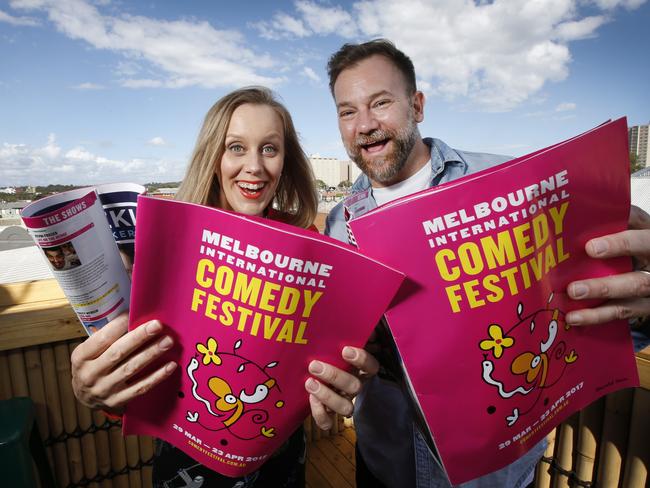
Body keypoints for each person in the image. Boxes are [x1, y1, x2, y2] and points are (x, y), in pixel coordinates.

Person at [303, 39, 650, 488]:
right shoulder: (338, 220)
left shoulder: (511, 187)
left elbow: (600, 310)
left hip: (494, 476)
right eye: (347, 111)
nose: (364, 124)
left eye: (381, 103)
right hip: (385, 461)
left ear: (417, 105)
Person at [70, 87, 366, 487]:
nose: (255, 167)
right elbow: (132, 374)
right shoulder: (165, 244)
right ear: (214, 156)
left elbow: (323, 359)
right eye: (236, 147)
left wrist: (338, 377)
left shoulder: (305, 241)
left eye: (269, 149)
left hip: (280, 463)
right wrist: (99, 394)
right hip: (186, 463)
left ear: (285, 160)